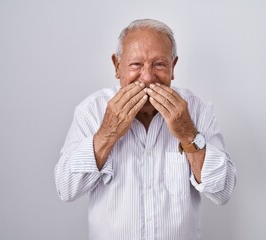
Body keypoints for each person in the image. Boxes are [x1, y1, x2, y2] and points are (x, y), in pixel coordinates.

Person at [54, 19, 236, 240]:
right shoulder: (91, 110)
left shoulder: (198, 110)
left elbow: (223, 190)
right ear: (116, 66)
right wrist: (107, 133)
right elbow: (67, 189)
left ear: (173, 66)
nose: (148, 78)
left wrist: (188, 134)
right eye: (136, 65)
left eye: (159, 64)